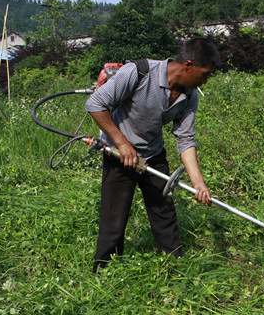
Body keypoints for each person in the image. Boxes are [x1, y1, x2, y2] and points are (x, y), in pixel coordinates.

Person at [85, 37, 221, 273]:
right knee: (114, 218)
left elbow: (185, 139)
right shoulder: (139, 73)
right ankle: (103, 271)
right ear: (188, 65)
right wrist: (122, 143)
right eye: (204, 74)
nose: (205, 81)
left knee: (164, 212)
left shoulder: (189, 95)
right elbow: (95, 104)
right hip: (119, 153)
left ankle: (174, 267)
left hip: (153, 155)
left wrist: (198, 183)